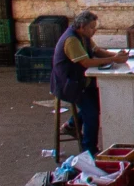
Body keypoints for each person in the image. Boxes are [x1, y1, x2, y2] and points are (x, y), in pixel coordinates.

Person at [49, 12, 126, 154]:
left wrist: (118, 56)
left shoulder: (84, 37)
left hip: (83, 81)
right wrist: (113, 59)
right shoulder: (71, 40)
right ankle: (89, 150)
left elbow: (97, 51)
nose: (94, 30)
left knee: (101, 102)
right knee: (92, 114)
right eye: (91, 27)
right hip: (70, 84)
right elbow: (86, 62)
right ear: (82, 27)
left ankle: (72, 124)